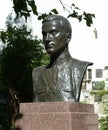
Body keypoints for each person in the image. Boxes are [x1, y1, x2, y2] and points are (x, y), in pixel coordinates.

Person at [32, 15, 93, 102]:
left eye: (53, 33)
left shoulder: (78, 68)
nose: (47, 39)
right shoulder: (37, 73)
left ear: (68, 37)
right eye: (44, 34)